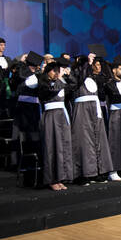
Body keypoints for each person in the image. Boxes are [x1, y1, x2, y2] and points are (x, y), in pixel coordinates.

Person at [70, 54, 114, 184]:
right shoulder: (75, 76)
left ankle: (97, 171)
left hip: (95, 110)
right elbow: (78, 81)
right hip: (82, 110)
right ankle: (83, 173)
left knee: (98, 140)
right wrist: (87, 63)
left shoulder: (93, 78)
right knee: (83, 141)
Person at [38, 58, 73, 191]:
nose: (57, 73)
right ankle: (51, 179)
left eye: (58, 71)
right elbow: (50, 92)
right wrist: (60, 81)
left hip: (61, 115)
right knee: (52, 146)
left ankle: (61, 177)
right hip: (51, 116)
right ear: (48, 72)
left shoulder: (60, 82)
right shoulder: (43, 83)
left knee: (63, 146)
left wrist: (68, 75)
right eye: (54, 71)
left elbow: (74, 85)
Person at [0, 37, 13, 117]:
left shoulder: (8, 59)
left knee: (6, 105)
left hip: (6, 85)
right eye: (1, 45)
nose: (3, 47)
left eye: (4, 45)